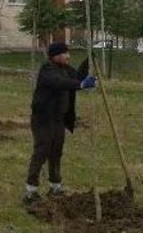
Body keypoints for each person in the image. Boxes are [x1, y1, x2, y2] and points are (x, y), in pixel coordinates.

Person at [23, 42, 96, 204]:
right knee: (42, 151)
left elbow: (76, 78)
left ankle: (55, 187)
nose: (68, 56)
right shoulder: (47, 70)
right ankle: (31, 192)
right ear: (56, 55)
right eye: (65, 53)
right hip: (44, 118)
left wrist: (89, 61)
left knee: (56, 152)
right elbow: (59, 82)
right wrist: (81, 85)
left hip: (58, 119)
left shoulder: (65, 69)